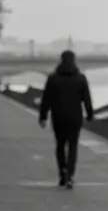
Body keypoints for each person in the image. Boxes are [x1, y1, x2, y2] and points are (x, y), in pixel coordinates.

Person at [37, 50, 94, 189]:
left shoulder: (53, 78)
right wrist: (90, 114)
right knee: (73, 146)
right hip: (75, 117)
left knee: (60, 145)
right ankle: (70, 174)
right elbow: (86, 99)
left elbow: (46, 100)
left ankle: (62, 171)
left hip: (58, 116)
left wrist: (43, 117)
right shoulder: (81, 78)